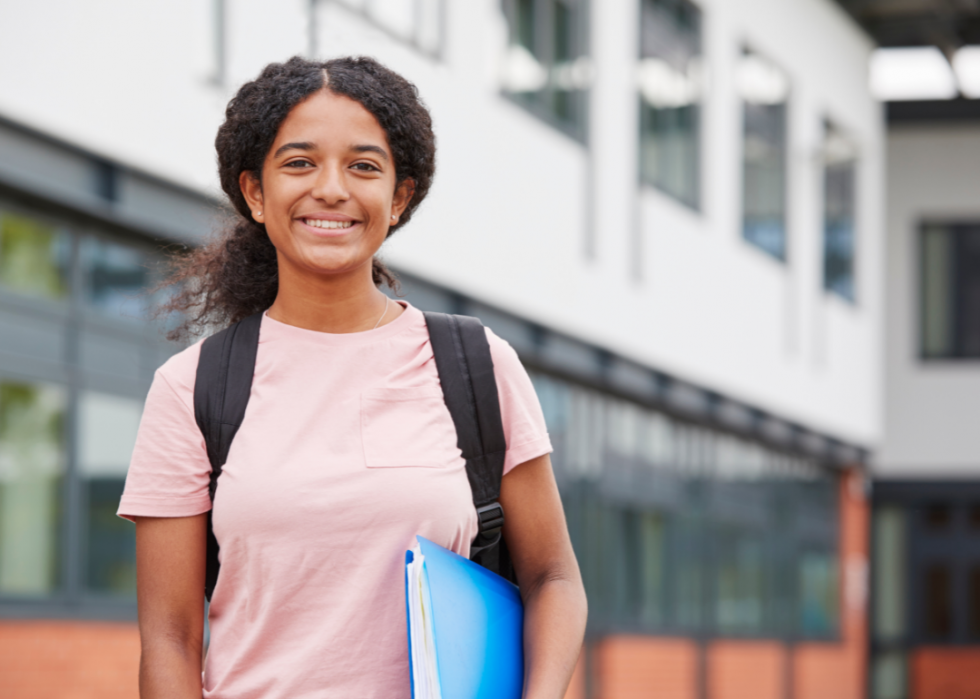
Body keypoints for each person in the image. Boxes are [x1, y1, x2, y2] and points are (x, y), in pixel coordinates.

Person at [118, 55, 587, 699]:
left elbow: (553, 580)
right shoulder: (192, 387)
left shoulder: (477, 366)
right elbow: (169, 637)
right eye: (300, 163)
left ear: (399, 197)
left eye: (363, 166)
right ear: (255, 192)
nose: (332, 188)